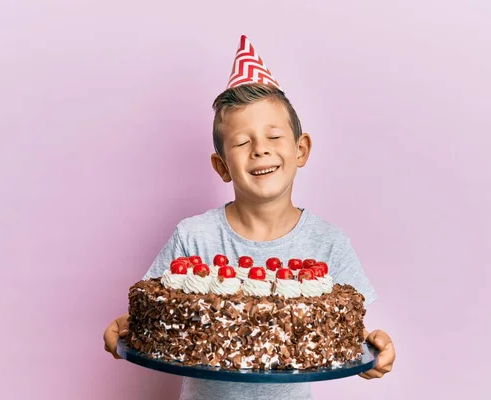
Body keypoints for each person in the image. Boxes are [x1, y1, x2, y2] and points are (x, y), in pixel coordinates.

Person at [104, 35, 396, 400]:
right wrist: (130, 327)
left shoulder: (328, 242)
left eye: (274, 136)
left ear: (301, 149)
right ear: (222, 166)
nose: (260, 149)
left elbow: (350, 330)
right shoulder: (194, 237)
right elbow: (157, 316)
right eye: (242, 143)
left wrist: (374, 346)